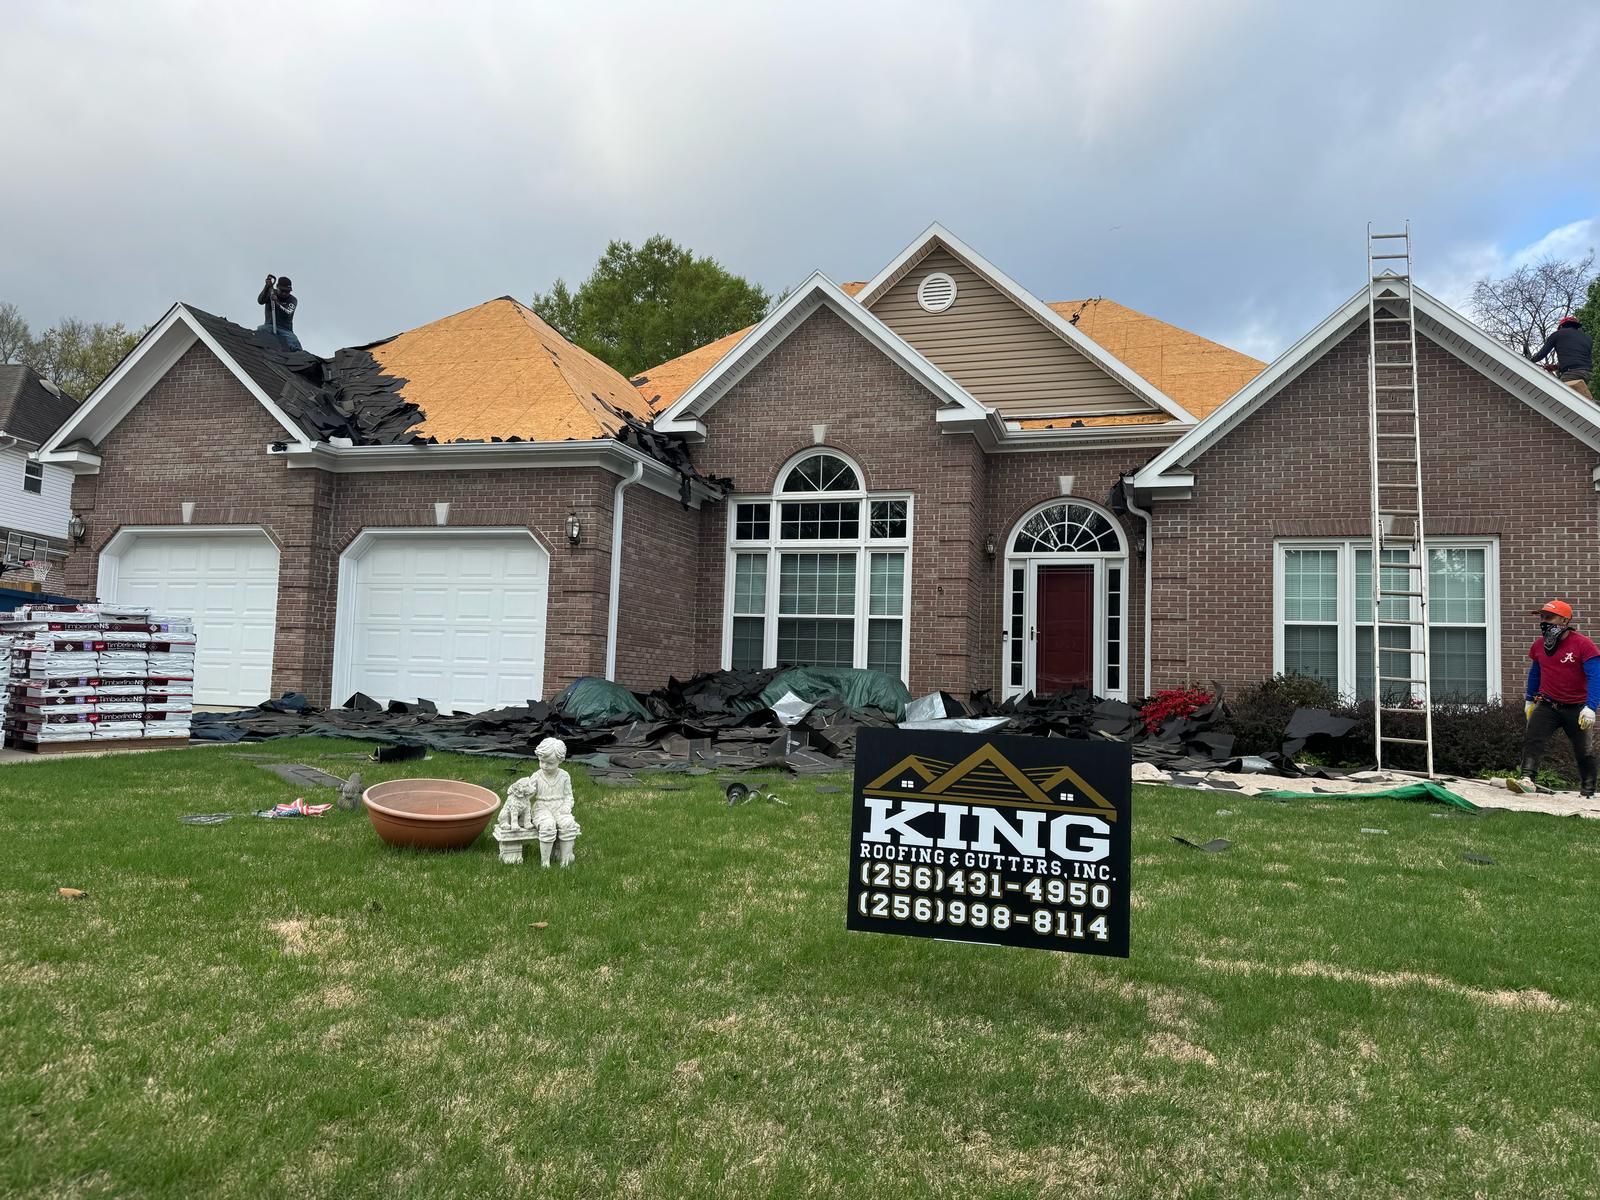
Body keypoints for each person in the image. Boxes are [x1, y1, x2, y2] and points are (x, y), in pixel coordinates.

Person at [1515, 599, 1600, 797]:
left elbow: (1596, 676)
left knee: (1584, 750)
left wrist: (1591, 707)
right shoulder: (1539, 646)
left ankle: (1588, 791)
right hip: (1548, 704)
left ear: (1564, 620)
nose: (1544, 622)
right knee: (1533, 740)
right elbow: (1535, 673)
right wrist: (1529, 700)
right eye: (1542, 617)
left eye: (1549, 617)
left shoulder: (1583, 645)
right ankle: (1527, 779)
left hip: (1577, 708)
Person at [1529, 316, 1592, 400]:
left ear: (1561, 326)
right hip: (1588, 373)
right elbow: (1579, 358)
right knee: (1581, 398)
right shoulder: (1587, 338)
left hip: (1571, 374)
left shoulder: (1557, 334)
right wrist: (1556, 367)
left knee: (1560, 397)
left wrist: (1530, 360)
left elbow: (1541, 354)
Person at [256, 274, 301, 351]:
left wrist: (276, 302)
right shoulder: (271, 293)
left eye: (287, 291)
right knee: (261, 330)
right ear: (277, 287)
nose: (284, 293)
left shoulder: (293, 300)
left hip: (286, 330)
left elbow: (287, 313)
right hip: (269, 325)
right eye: (282, 291)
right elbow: (260, 301)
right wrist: (266, 287)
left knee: (294, 344)